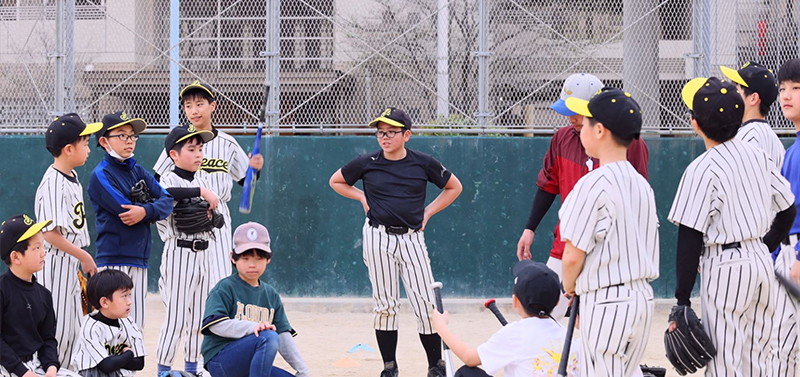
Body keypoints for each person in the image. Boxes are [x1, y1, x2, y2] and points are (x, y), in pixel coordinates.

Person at [667, 76, 796, 376]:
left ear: (695, 124)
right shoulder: (758, 156)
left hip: (725, 265)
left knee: (725, 362)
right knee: (759, 359)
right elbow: (788, 208)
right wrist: (766, 246)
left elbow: (689, 237)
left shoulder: (701, 168)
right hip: (762, 262)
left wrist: (682, 299)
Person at [329, 107, 463, 377]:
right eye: (380, 132)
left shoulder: (423, 162)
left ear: (407, 135)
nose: (384, 137)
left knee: (426, 302)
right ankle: (389, 366)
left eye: (391, 132)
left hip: (412, 237)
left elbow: (454, 187)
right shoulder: (367, 161)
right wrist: (361, 197)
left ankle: (434, 365)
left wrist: (428, 212)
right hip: (378, 236)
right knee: (386, 303)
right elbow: (336, 181)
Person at [516, 73, 649, 319]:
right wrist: (530, 228)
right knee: (543, 315)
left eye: (578, 111)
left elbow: (636, 195)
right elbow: (548, 185)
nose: (571, 118)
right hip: (568, 243)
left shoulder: (627, 143)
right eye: (568, 110)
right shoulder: (562, 138)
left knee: (593, 320)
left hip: (610, 248)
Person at [559, 88, 659, 377]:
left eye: (586, 121)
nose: (580, 127)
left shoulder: (593, 184)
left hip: (607, 302)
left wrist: (569, 287)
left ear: (600, 130)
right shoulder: (642, 184)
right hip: (642, 300)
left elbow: (572, 256)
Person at [153, 80, 264, 293]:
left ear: (213, 106)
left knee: (217, 279)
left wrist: (255, 169)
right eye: (188, 105)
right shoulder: (178, 142)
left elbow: (246, 181)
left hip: (217, 216)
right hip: (184, 215)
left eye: (199, 104)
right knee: (184, 284)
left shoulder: (228, 143)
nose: (193, 110)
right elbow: (157, 179)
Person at [87, 111, 173, 329]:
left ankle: (130, 364)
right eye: (122, 135)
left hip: (139, 258)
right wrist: (151, 209)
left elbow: (167, 200)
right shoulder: (101, 174)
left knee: (135, 327)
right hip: (114, 258)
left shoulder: (137, 170)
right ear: (104, 141)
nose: (130, 141)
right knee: (113, 327)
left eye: (132, 136)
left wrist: (145, 211)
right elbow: (124, 209)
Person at [431, 260, 579, 377]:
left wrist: (441, 327)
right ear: (558, 302)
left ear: (515, 301)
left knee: (467, 373)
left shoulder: (514, 333)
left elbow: (469, 358)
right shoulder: (567, 335)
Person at [35, 113, 102, 369]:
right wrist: (83, 256)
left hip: (69, 263)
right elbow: (50, 234)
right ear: (68, 148)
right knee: (58, 334)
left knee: (75, 331)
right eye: (85, 142)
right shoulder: (53, 183)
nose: (88, 148)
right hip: (55, 264)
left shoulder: (70, 177)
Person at [200, 222, 310, 377]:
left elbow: (283, 336)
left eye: (259, 258)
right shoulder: (225, 288)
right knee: (268, 336)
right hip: (222, 361)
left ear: (268, 259)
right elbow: (215, 325)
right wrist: (252, 327)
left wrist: (303, 370)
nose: (252, 264)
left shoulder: (271, 295)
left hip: (253, 365)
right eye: (245, 258)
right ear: (233, 258)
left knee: (271, 337)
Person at [154, 124, 220, 376]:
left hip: (205, 253)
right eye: (191, 149)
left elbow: (218, 218)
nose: (198, 154)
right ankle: (164, 370)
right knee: (177, 317)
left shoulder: (203, 178)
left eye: (200, 149)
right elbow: (165, 192)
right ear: (174, 154)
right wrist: (200, 193)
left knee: (198, 319)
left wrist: (211, 214)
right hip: (179, 252)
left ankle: (193, 367)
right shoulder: (169, 178)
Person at [0, 213, 79, 377]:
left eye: (43, 246)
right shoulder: (2, 290)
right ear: (16, 257)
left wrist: (51, 367)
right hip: (6, 367)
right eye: (36, 248)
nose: (44, 253)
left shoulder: (44, 295)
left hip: (35, 365)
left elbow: (48, 339)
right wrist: (22, 372)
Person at [771, 58, 800, 377]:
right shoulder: (793, 148)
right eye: (782, 88)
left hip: (798, 255)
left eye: (796, 88)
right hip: (788, 252)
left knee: (784, 349)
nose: (787, 95)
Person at [71, 269, 146, 377]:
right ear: (104, 302)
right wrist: (129, 354)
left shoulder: (129, 322)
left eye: (129, 295)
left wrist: (115, 361)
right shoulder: (91, 327)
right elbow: (106, 366)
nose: (129, 301)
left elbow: (139, 363)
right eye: (124, 296)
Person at [721, 61, 784, 167]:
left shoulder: (750, 137)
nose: (730, 93)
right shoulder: (773, 139)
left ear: (753, 98)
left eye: (736, 88)